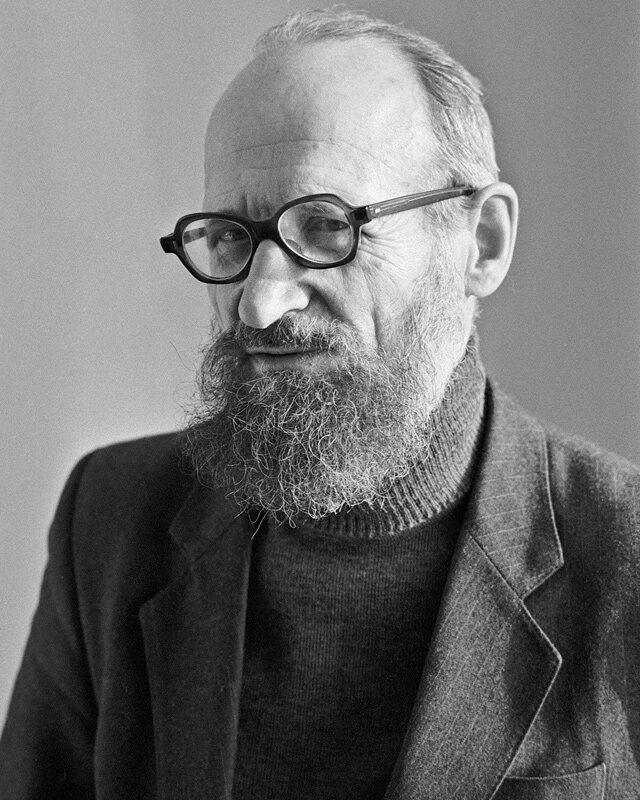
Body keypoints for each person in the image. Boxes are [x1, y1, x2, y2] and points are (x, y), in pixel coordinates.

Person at [1, 8, 639, 799]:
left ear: (481, 244)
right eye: (230, 237)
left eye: (328, 227)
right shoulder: (109, 523)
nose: (259, 303)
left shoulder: (625, 556)